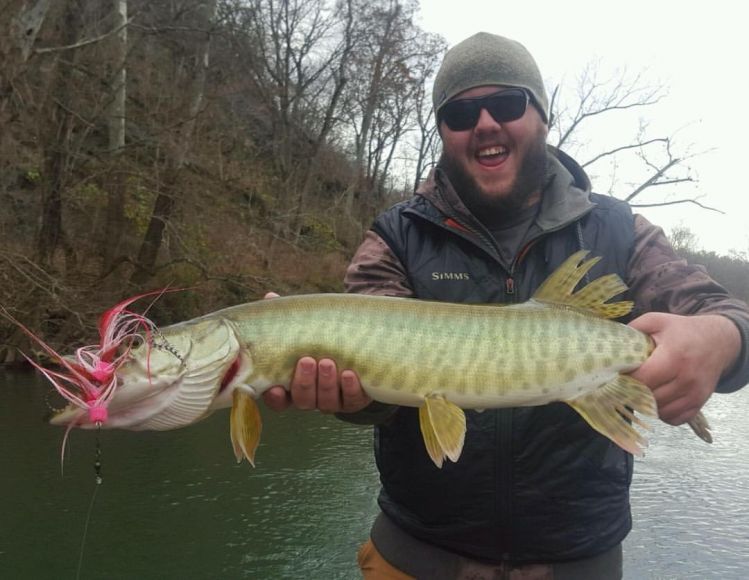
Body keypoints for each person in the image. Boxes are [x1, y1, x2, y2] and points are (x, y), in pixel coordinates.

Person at [263, 32, 749, 579]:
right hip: (416, 557)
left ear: (542, 115)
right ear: (443, 130)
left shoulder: (619, 231)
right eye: (461, 112)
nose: (485, 124)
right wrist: (350, 399)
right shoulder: (397, 236)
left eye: (508, 104)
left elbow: (724, 313)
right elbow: (379, 391)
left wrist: (721, 339)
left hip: (575, 564)